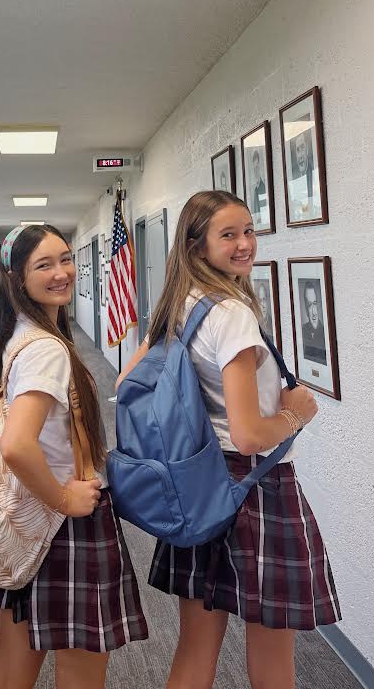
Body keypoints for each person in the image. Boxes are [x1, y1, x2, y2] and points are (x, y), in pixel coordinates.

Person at [117, 190, 340, 689]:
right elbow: (249, 433)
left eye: (248, 231)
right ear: (197, 246)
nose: (244, 244)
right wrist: (294, 413)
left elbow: (124, 384)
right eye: (229, 235)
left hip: (200, 482)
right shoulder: (233, 314)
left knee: (196, 647)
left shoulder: (181, 305)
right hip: (257, 487)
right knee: (272, 655)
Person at [0, 223, 148, 689]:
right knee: (81, 672)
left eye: (66, 258)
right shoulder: (46, 351)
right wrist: (64, 499)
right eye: (44, 265)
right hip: (63, 522)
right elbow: (16, 444)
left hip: (30, 516)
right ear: (16, 278)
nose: (62, 272)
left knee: (14, 669)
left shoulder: (21, 336)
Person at [302, 280, 327, 364]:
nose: (314, 312)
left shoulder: (325, 331)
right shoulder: (303, 331)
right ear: (305, 309)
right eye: (309, 305)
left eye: (315, 303)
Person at [249, 150, 267, 224]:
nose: (255, 171)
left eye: (257, 167)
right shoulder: (254, 189)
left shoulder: (264, 187)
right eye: (254, 168)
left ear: (261, 167)